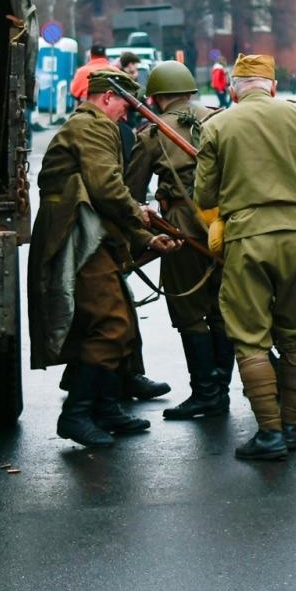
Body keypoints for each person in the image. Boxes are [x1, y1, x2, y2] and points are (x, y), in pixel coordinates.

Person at [192, 54, 296, 461]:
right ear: (272, 86)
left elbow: (204, 197)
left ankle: (268, 434)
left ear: (233, 89)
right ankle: (290, 427)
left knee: (249, 336)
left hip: (248, 238)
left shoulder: (217, 126)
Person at [27, 69, 179, 448]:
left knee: (120, 324)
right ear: (107, 98)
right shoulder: (93, 126)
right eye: (125, 105)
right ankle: (76, 415)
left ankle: (104, 408)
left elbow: (106, 198)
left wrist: (145, 236)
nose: (127, 114)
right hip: (80, 238)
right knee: (110, 324)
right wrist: (138, 214)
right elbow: (107, 190)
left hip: (94, 236)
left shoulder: (93, 126)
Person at [123, 61, 232, 422]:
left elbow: (132, 190)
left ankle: (204, 393)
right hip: (225, 221)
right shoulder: (220, 118)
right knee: (221, 306)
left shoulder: (153, 133)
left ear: (156, 96)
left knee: (188, 309)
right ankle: (222, 392)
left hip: (182, 224)